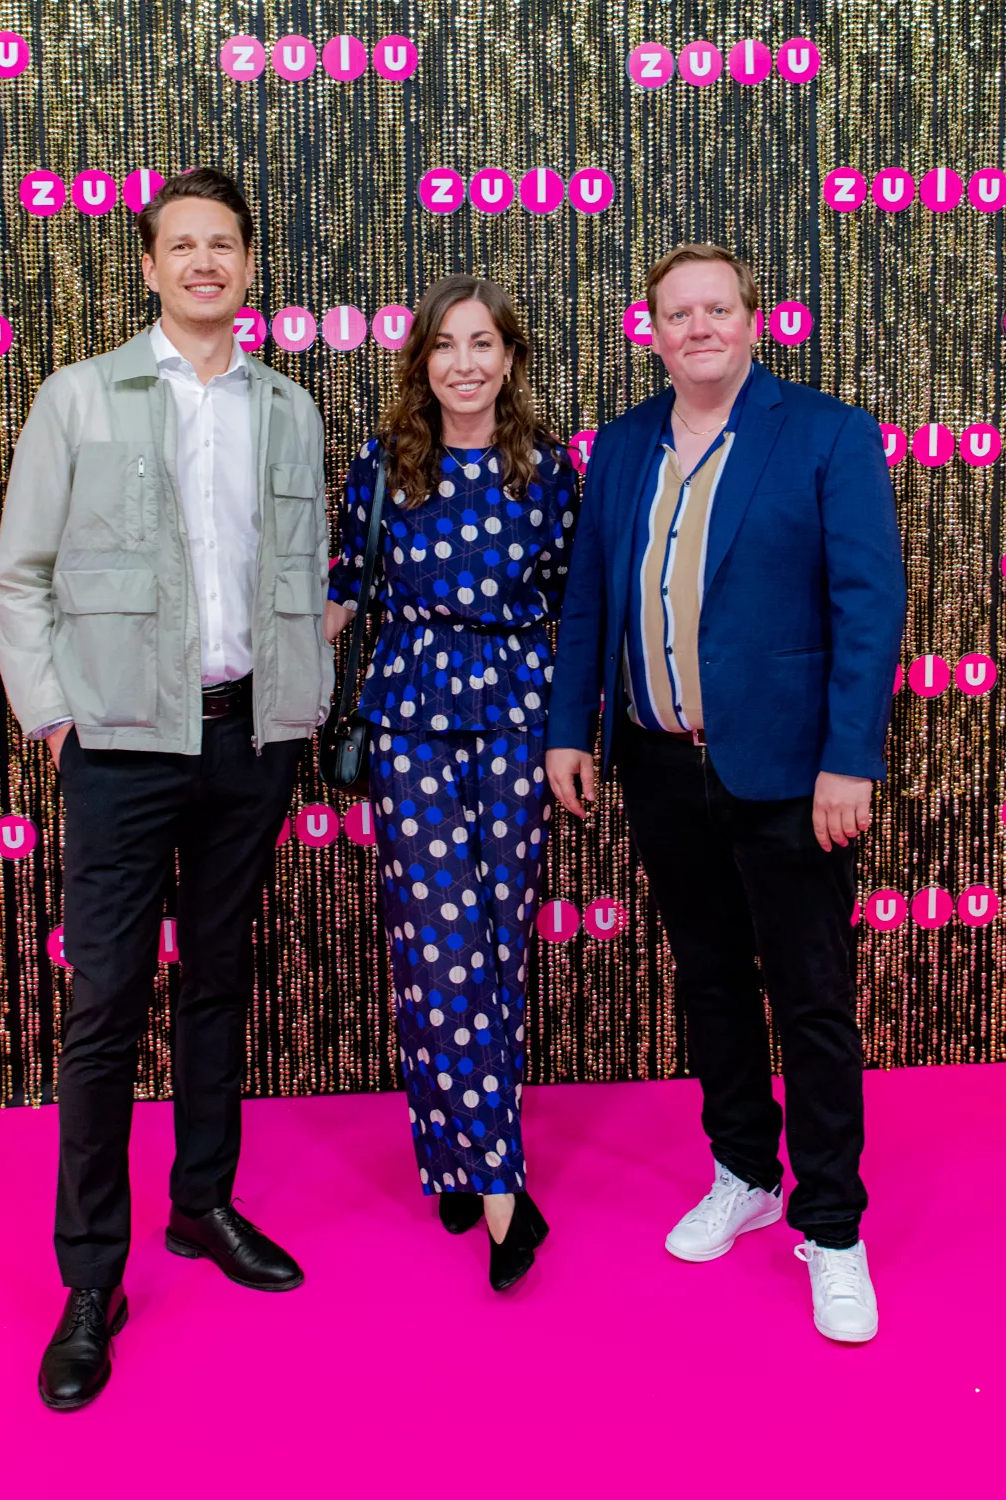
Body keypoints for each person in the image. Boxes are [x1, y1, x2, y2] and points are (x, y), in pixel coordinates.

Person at [0, 168, 332, 1410]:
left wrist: (305, 696)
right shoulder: (78, 397)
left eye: (222, 244)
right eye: (181, 245)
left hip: (251, 741)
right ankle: (92, 1279)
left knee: (222, 979)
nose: (203, 263)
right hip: (123, 747)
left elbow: (303, 566)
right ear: (148, 267)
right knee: (107, 1005)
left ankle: (202, 1204)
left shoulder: (287, 407)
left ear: (249, 266)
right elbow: (17, 574)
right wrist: (55, 713)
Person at [545, 244, 906, 1343]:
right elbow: (587, 600)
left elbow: (869, 605)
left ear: (754, 320)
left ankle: (831, 1226)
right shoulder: (621, 446)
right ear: (650, 331)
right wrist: (569, 732)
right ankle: (744, 1171)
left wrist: (849, 760)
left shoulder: (827, 435)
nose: (697, 327)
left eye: (716, 309)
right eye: (677, 313)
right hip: (659, 762)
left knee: (810, 998)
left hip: (790, 774)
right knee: (708, 981)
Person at [325, 275, 577, 1291]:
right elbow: (344, 594)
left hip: (517, 721)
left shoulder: (550, 470)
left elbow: (575, 605)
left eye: (482, 344)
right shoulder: (383, 465)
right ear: (420, 362)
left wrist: (574, 734)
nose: (463, 363)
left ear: (509, 359)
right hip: (410, 724)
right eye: (444, 345)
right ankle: (503, 1189)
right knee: (437, 950)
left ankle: (457, 1153)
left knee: (498, 948)